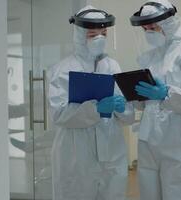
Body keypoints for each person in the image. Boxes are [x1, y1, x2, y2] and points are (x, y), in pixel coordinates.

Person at [130, 1, 181, 200]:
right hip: (149, 142)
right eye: (146, 28)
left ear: (169, 23)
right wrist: (135, 96)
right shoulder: (148, 58)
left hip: (180, 143)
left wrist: (166, 93)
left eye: (153, 27)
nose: (149, 32)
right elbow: (144, 104)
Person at [48, 6, 134, 200]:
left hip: (111, 152)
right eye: (93, 34)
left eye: (103, 33)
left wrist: (123, 108)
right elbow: (59, 114)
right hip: (76, 154)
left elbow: (127, 116)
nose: (99, 39)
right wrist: (95, 109)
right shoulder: (63, 69)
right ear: (79, 34)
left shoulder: (112, 66)